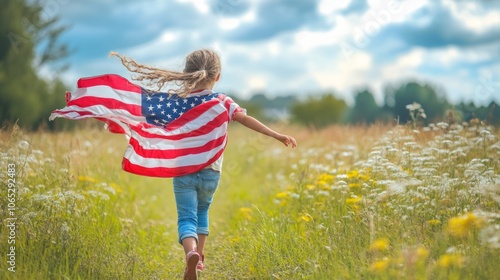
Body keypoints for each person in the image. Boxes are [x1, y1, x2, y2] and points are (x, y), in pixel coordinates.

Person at [112, 49, 297, 280]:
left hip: (183, 170)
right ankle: (199, 258)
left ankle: (190, 253)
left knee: (186, 217)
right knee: (202, 211)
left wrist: (119, 121)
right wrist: (277, 135)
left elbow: (147, 116)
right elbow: (247, 120)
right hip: (212, 172)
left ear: (186, 75)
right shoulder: (222, 101)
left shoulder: (177, 104)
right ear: (217, 76)